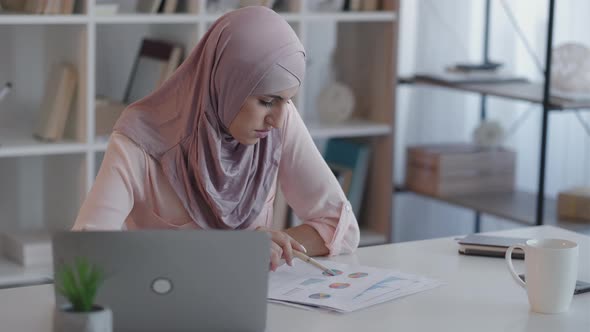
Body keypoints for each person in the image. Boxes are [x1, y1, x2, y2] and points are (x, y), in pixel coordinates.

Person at [72, 6, 359, 271]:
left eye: (288, 99)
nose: (278, 119)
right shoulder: (138, 140)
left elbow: (342, 228)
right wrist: (228, 251)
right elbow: (85, 255)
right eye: (266, 101)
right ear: (226, 84)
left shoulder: (280, 121)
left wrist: (275, 242)